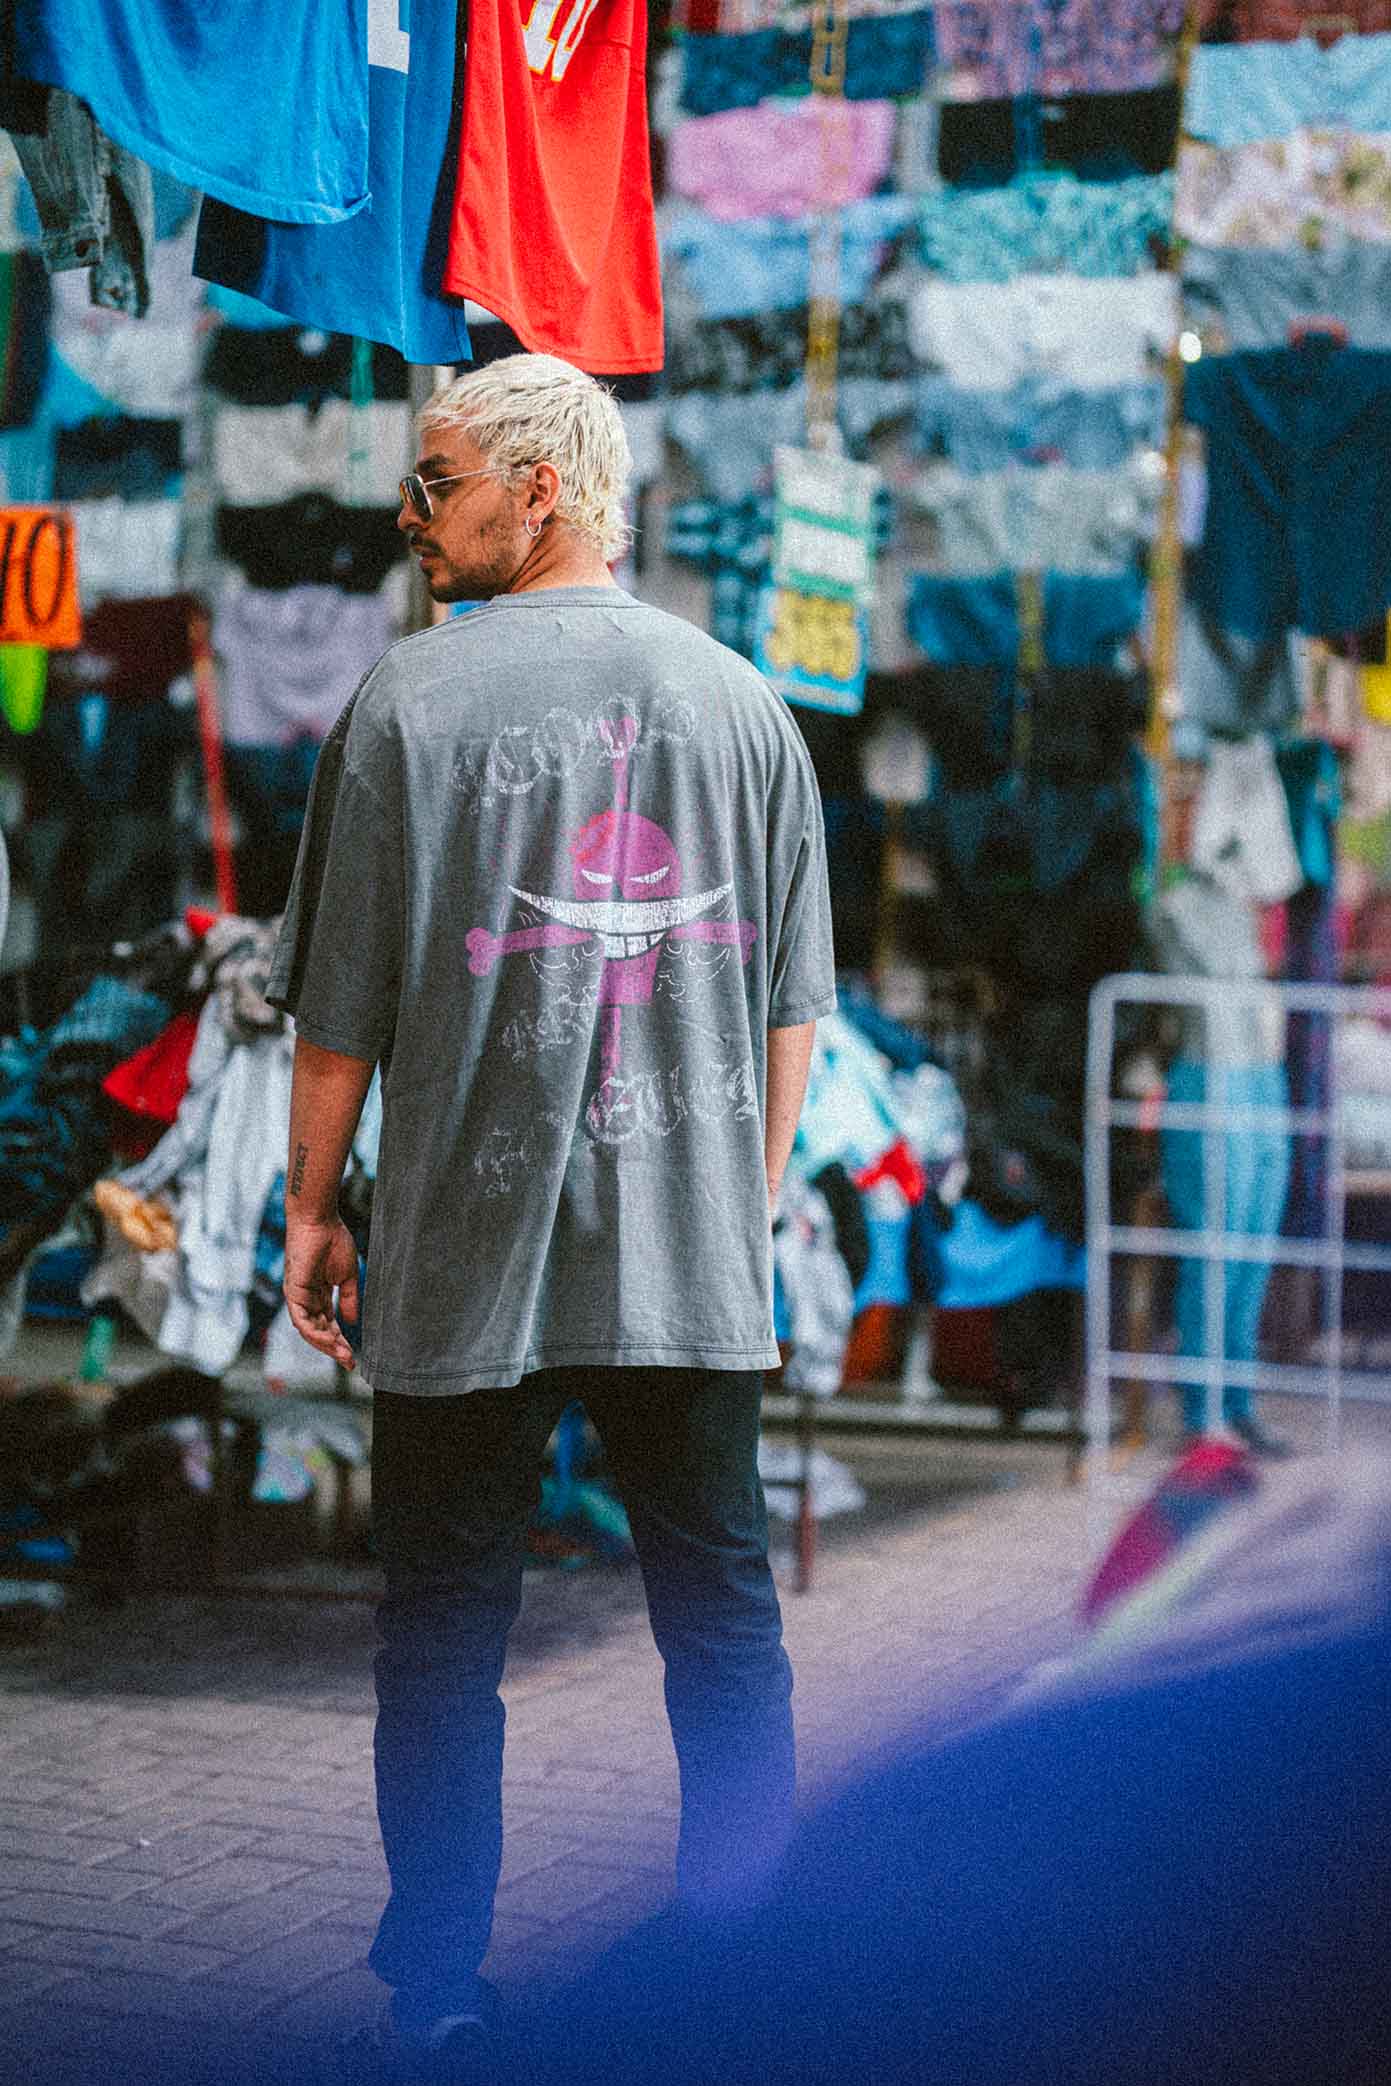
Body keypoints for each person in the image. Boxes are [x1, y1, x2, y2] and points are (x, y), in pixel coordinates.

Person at [266, 354, 836, 2081]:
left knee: (443, 1632)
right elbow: (794, 1007)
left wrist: (311, 1205)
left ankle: (439, 1979)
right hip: (686, 1250)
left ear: (543, 486)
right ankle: (751, 1959)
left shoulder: (404, 705)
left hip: (466, 1243)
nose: (411, 513)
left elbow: (339, 1011)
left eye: (437, 481)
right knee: (720, 1624)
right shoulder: (744, 705)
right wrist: (740, 1200)